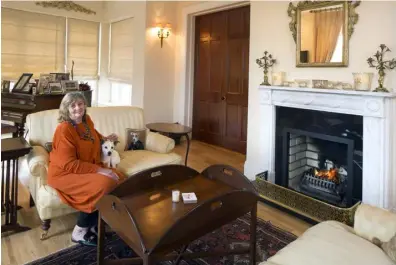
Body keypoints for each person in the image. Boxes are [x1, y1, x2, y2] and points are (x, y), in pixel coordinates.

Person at [47, 92, 126, 246]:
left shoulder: (86, 120)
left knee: (120, 178)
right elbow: (69, 164)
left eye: (80, 103)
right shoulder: (64, 129)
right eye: (73, 105)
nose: (78, 108)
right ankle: (79, 231)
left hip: (86, 166)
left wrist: (106, 138)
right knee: (104, 184)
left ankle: (95, 223)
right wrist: (101, 170)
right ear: (66, 109)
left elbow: (94, 136)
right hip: (65, 173)